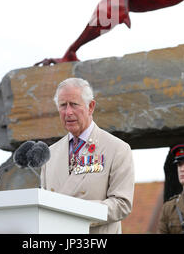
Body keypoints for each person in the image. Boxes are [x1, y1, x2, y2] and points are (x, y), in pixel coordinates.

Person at [40, 77, 134, 234]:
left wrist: (74, 213)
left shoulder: (117, 148)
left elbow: (122, 204)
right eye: (63, 105)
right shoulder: (50, 154)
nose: (68, 112)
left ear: (91, 107)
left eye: (74, 104)